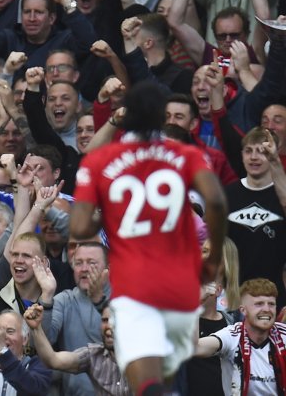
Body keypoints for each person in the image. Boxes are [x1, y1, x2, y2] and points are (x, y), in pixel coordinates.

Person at [70, 82, 228, 396]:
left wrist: (110, 212)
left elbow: (79, 227)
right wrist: (212, 260)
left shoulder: (100, 161)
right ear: (161, 118)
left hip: (134, 276)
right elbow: (218, 203)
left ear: (125, 116)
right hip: (180, 273)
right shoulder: (185, 154)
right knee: (164, 367)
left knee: (142, 368)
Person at [193, 278, 286, 396]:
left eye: (271, 304)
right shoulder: (232, 335)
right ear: (243, 310)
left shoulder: (283, 335)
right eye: (259, 304)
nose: (266, 309)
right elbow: (195, 348)